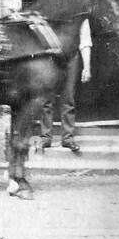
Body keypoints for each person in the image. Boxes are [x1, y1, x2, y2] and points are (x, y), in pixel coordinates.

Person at [38, 16, 92, 154]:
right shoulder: (49, 10)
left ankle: (67, 138)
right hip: (49, 58)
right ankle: (45, 137)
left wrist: (87, 67)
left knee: (68, 98)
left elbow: (85, 40)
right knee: (46, 98)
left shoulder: (81, 13)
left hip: (71, 58)